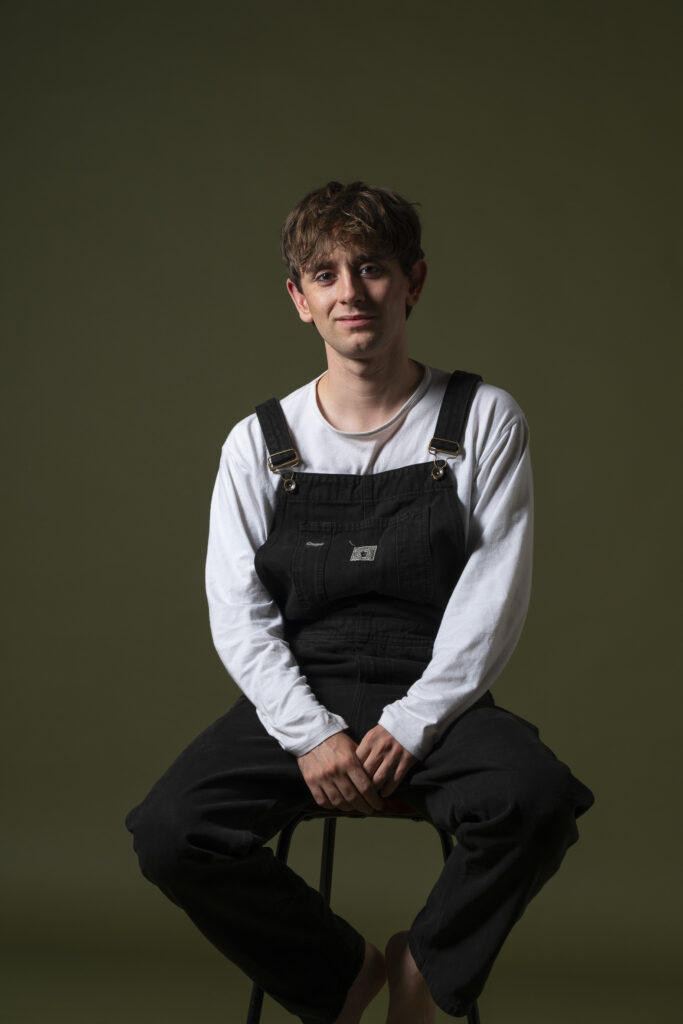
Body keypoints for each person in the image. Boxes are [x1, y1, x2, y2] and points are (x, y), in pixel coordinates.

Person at [126, 180, 593, 1023]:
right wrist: (308, 733)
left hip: (436, 688)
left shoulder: (482, 418)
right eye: (326, 273)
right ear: (298, 298)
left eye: (372, 267)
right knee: (170, 831)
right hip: (300, 688)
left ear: (413, 281)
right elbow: (236, 607)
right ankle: (339, 974)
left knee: (535, 800)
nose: (351, 292)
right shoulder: (258, 442)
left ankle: (422, 967)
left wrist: (415, 722)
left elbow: (493, 593)